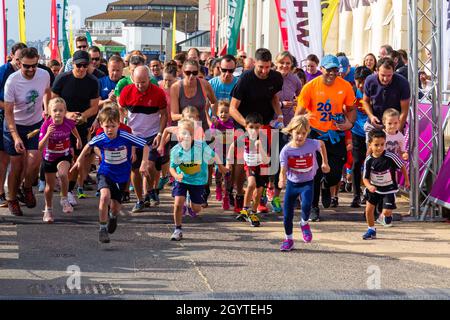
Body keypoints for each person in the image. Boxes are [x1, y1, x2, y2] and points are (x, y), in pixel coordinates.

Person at [71, 106, 150, 243]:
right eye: (107, 126)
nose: (110, 130)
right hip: (105, 172)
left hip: (122, 175)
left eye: (113, 126)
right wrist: (79, 160)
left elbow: (145, 146)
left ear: (118, 124)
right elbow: (88, 145)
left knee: (115, 206)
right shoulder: (101, 138)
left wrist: (144, 163)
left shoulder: (125, 136)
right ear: (101, 125)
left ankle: (113, 217)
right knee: (104, 196)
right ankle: (102, 228)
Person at [295, 54, 356, 222]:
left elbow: (351, 108)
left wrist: (349, 124)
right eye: (329, 70)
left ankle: (326, 185)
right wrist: (297, 130)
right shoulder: (310, 87)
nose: (332, 73)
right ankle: (314, 207)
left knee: (335, 174)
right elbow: (299, 112)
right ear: (321, 69)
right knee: (313, 172)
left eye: (335, 70)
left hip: (335, 135)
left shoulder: (345, 86)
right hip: (314, 134)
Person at [229, 48, 284, 214]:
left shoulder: (276, 77)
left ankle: (259, 199)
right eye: (261, 67)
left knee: (263, 160)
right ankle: (239, 195)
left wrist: (280, 115)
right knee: (242, 160)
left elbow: (274, 98)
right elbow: (232, 108)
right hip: (244, 121)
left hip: (264, 122)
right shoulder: (246, 78)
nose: (264, 71)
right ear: (255, 64)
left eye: (267, 67)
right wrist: (246, 126)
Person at [3, 47, 51, 216]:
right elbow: (8, 112)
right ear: (18, 63)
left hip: (35, 124)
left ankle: (27, 187)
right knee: (16, 165)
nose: (31, 69)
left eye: (34, 66)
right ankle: (12, 198)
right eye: (26, 66)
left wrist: (47, 109)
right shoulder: (12, 81)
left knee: (34, 160)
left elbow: (47, 92)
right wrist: (15, 136)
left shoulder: (44, 75)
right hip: (14, 125)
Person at [52, 50, 100, 205]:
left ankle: (69, 189)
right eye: (78, 65)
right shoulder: (62, 78)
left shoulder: (93, 81)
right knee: (62, 157)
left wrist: (83, 116)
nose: (81, 68)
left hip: (81, 124)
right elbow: (52, 102)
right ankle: (55, 183)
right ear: (72, 64)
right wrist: (67, 114)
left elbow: (94, 107)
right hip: (61, 123)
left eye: (85, 65)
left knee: (78, 158)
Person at [118, 66, 167, 212]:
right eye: (137, 82)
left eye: (143, 82)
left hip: (152, 135)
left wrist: (160, 134)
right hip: (133, 135)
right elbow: (120, 108)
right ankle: (140, 199)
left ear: (149, 79)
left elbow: (164, 114)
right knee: (135, 169)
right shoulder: (127, 91)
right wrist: (123, 123)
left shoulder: (158, 92)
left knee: (150, 166)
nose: (140, 86)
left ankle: (150, 189)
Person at [169, 118, 228, 240]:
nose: (186, 136)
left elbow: (214, 155)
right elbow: (172, 168)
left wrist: (221, 167)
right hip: (182, 180)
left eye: (190, 134)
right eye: (183, 133)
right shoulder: (175, 150)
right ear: (178, 134)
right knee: (178, 204)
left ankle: (191, 202)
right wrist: (175, 175)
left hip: (198, 181)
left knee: (196, 208)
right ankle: (177, 229)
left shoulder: (200, 146)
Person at [278, 115, 330, 251]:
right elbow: (283, 168)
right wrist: (281, 179)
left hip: (307, 182)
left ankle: (304, 223)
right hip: (292, 184)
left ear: (307, 132)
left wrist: (325, 162)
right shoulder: (286, 150)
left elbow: (322, 145)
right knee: (287, 214)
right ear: (291, 132)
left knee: (307, 204)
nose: (300, 136)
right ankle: (288, 240)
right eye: (297, 133)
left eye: (303, 133)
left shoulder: (312, 143)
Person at [269, 51, 302, 214]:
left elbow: (300, 99)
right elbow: (267, 99)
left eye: (288, 63)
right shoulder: (271, 77)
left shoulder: (295, 79)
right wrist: (282, 104)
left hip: (287, 126)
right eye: (282, 63)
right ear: (276, 63)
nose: (284, 66)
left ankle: (276, 196)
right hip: (269, 122)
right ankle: (263, 193)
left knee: (284, 161)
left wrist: (295, 104)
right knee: (270, 162)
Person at [38, 98, 82, 222]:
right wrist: (47, 134)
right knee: (49, 187)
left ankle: (64, 199)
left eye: (61, 110)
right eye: (55, 110)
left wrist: (78, 139)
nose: (58, 113)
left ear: (65, 112)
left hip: (64, 155)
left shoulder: (68, 122)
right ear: (50, 112)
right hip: (50, 157)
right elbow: (40, 147)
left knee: (63, 174)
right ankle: (48, 209)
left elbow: (73, 128)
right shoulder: (46, 125)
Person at [362, 130, 410, 240]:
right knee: (368, 210)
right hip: (374, 189)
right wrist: (369, 186)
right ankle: (371, 230)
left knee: (386, 212)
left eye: (382, 144)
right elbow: (364, 178)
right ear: (370, 145)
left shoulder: (391, 156)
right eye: (376, 145)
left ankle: (386, 216)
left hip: (388, 189)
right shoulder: (368, 160)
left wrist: (406, 181)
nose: (379, 148)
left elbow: (402, 166)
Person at [229, 113, 270, 227]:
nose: (253, 130)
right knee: (251, 184)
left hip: (262, 167)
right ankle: (245, 209)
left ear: (261, 127)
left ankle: (252, 212)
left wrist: (260, 147)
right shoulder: (243, 138)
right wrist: (229, 162)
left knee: (258, 193)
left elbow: (266, 160)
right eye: (251, 127)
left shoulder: (264, 139)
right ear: (246, 127)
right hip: (250, 165)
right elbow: (232, 146)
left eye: (257, 127)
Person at [362, 57, 410, 135]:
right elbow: (365, 101)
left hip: (394, 125)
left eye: (389, 75)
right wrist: (371, 116)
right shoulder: (370, 80)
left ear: (393, 72)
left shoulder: (402, 83)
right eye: (383, 75)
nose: (385, 79)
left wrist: (397, 131)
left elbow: (404, 111)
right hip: (374, 124)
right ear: (377, 71)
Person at [350, 66, 373, 208]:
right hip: (357, 131)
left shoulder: (374, 91)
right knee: (357, 162)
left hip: (372, 132)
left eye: (364, 81)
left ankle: (369, 193)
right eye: (358, 81)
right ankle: (356, 195)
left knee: (371, 163)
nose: (361, 85)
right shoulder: (352, 91)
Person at [207, 100, 234, 210]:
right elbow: (212, 135)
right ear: (217, 113)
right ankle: (218, 186)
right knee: (218, 172)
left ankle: (226, 196)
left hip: (228, 152)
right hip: (218, 152)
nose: (223, 114)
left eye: (226, 112)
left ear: (230, 113)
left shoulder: (231, 124)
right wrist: (214, 125)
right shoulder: (216, 123)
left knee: (227, 173)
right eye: (221, 112)